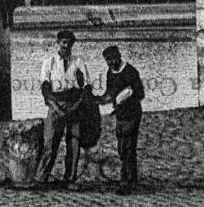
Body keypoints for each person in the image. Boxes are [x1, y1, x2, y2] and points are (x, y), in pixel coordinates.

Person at [36, 29, 89, 186]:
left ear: (73, 44)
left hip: (74, 105)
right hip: (55, 104)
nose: (66, 46)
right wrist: (56, 107)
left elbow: (86, 87)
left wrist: (76, 106)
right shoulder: (49, 62)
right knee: (50, 142)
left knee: (74, 143)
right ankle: (41, 178)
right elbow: (45, 87)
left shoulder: (78, 62)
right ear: (58, 43)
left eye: (69, 43)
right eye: (64, 42)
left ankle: (70, 178)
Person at [98, 44, 144, 194]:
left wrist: (125, 96)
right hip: (120, 115)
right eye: (107, 60)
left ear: (119, 56)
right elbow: (110, 93)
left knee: (128, 147)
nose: (110, 62)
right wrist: (98, 99)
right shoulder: (110, 73)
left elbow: (140, 93)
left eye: (112, 59)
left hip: (132, 114)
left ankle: (127, 182)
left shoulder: (130, 72)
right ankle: (130, 180)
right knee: (122, 148)